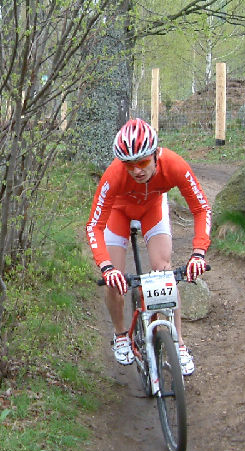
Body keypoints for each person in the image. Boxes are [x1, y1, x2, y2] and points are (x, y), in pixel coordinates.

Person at [85, 118, 211, 375]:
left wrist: (198, 252)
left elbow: (201, 209)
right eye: (130, 165)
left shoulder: (174, 165)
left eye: (143, 162)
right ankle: (121, 335)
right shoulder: (114, 174)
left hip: (152, 210)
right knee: (114, 280)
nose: (137, 171)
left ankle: (178, 344)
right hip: (118, 214)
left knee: (164, 272)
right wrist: (106, 266)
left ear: (155, 154)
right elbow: (94, 225)